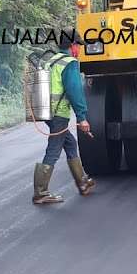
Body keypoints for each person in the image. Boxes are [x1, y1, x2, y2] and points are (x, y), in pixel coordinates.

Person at [32, 28, 95, 204]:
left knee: (70, 143)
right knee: (53, 149)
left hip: (48, 112)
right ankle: (40, 192)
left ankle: (83, 183)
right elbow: (75, 91)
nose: (80, 49)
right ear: (72, 46)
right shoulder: (69, 63)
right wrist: (82, 117)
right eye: (78, 46)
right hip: (59, 113)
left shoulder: (51, 61)